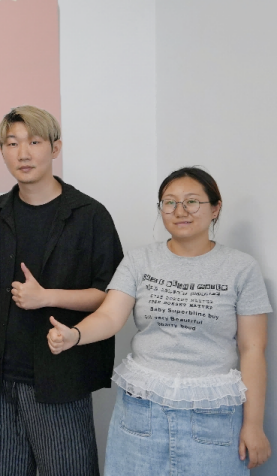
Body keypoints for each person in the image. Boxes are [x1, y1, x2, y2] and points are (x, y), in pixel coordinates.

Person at [48, 167, 272, 474]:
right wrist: (75, 335)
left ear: (215, 208)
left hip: (213, 417)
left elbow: (252, 349)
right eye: (170, 202)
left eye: (192, 201)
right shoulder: (139, 260)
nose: (180, 211)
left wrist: (254, 424)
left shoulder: (242, 268)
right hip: (142, 411)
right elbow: (110, 315)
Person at [0, 106, 123, 476]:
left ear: (55, 148)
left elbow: (112, 295)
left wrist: (47, 297)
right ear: (3, 151)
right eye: (12, 143)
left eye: (34, 142)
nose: (23, 153)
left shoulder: (89, 215)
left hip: (60, 379)